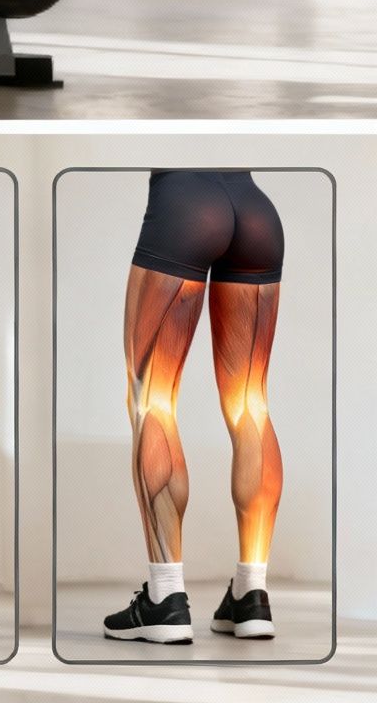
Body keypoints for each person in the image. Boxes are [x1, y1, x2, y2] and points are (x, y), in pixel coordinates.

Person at [103, 170, 283, 644]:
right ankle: (252, 594)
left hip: (184, 205)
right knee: (252, 402)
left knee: (152, 399)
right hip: (255, 208)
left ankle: (166, 598)